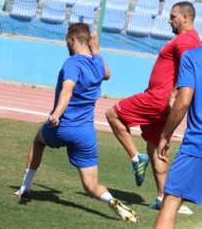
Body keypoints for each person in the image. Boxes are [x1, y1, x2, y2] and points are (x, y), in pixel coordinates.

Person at [13, 23, 138, 223]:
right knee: (91, 184)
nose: (66, 45)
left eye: (66, 41)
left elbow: (67, 91)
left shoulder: (72, 63)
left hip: (63, 126)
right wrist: (96, 49)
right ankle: (111, 200)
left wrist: (56, 114)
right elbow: (106, 74)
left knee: (38, 140)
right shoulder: (97, 62)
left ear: (72, 40)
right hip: (86, 133)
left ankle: (25, 189)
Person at [105, 1, 200, 210]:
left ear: (185, 18)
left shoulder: (186, 40)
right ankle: (163, 197)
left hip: (158, 98)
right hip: (163, 102)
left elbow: (191, 67)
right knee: (156, 147)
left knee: (112, 114)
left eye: (173, 16)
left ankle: (135, 157)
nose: (169, 19)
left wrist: (175, 91)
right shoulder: (189, 39)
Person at [154, 46, 202, 228]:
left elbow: (183, 102)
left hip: (197, 144)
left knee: (171, 202)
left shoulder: (193, 57)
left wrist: (165, 136)